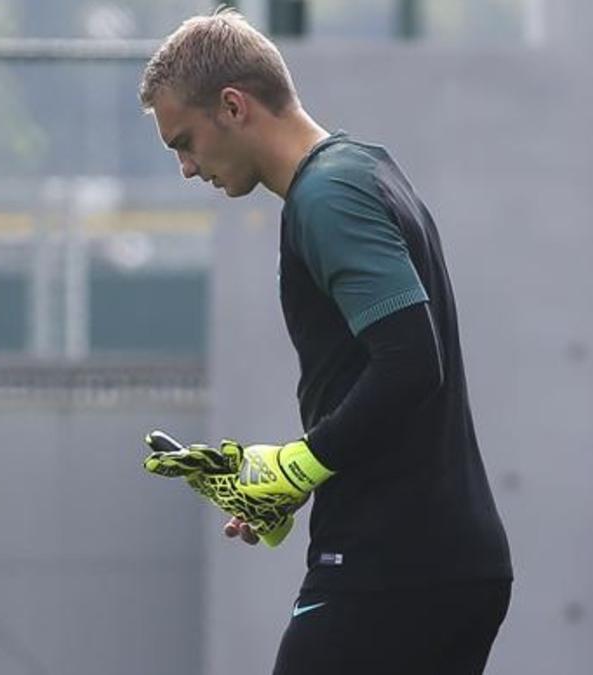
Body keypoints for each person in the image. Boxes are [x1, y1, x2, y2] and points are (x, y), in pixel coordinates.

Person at [138, 8, 513, 674]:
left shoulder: (329, 196)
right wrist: (285, 483)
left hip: (393, 567)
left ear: (232, 106)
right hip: (431, 562)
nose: (187, 169)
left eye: (185, 142)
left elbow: (409, 361)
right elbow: (382, 375)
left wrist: (298, 464)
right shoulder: (361, 172)